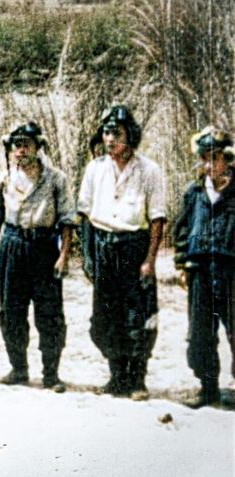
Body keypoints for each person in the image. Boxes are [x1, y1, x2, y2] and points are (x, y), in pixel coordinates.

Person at [0, 122, 76, 392]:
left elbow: (68, 219)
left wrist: (64, 255)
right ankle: (18, 368)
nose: (20, 150)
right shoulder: (3, 179)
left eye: (26, 144)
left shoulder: (56, 179)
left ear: (38, 146)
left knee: (50, 313)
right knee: (11, 311)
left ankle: (51, 374)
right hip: (12, 245)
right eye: (15, 145)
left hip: (44, 247)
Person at [78, 105, 166, 400]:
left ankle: (137, 378)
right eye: (106, 132)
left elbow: (157, 219)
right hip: (103, 246)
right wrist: (88, 257)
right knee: (105, 316)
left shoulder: (149, 170)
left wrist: (149, 261)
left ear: (131, 135)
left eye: (117, 133)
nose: (110, 138)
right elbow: (85, 216)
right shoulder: (95, 169)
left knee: (137, 316)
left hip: (134, 246)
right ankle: (116, 376)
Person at [174, 126, 235, 409]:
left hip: (231, 273)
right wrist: (182, 264)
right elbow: (182, 230)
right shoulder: (194, 193)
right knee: (200, 333)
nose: (209, 165)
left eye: (215, 158)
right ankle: (208, 387)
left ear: (228, 158)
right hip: (200, 271)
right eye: (204, 158)